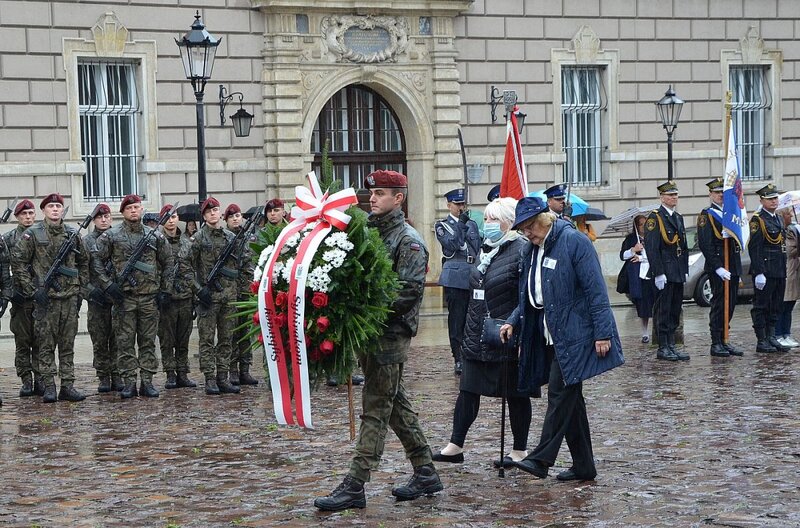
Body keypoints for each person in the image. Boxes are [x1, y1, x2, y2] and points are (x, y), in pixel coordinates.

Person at [314, 169, 442, 511]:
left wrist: (364, 310)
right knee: (395, 403)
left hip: (390, 335)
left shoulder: (408, 239)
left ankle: (356, 483)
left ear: (398, 198)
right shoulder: (368, 233)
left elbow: (407, 292)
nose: (373, 198)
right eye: (373, 193)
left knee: (376, 408)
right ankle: (426, 471)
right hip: (369, 334)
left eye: (381, 193)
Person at [500, 196, 623, 481]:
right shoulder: (533, 249)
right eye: (522, 229)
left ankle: (541, 459)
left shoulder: (574, 242)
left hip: (576, 335)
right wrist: (513, 321)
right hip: (549, 335)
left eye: (530, 226)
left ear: (545, 219)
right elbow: (531, 293)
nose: (527, 233)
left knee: (559, 392)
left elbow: (596, 291)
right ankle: (584, 466)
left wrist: (603, 332)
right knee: (572, 402)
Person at [432, 197, 535, 467]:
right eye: (486, 219)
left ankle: (519, 450)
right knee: (468, 390)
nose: (486, 224)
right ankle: (455, 445)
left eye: (492, 219)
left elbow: (526, 295)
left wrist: (518, 329)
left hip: (505, 334)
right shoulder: (486, 249)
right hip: (477, 333)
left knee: (515, 394)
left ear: (508, 223)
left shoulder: (522, 249)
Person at [93, 194, 174, 398]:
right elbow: (96, 260)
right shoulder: (111, 236)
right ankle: (129, 381)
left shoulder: (154, 235)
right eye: (129, 208)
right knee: (125, 341)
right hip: (124, 299)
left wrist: (165, 290)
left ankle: (147, 381)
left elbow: (168, 263)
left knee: (147, 341)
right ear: (123, 212)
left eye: (137, 207)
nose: (133, 211)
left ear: (141, 210)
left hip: (149, 298)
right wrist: (108, 285)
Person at [11, 193, 89, 403]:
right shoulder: (33, 234)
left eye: (58, 206)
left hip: (69, 298)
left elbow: (84, 263)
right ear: (44, 210)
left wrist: (79, 290)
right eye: (51, 206)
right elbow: (18, 263)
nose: (55, 209)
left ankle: (68, 385)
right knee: (45, 345)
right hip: (46, 299)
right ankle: (49, 386)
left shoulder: (73, 234)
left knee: (67, 345)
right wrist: (33, 290)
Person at [188, 197, 243, 395]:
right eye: (209, 211)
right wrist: (198, 289)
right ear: (203, 215)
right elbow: (185, 268)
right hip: (207, 297)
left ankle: (223, 376)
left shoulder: (230, 237)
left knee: (227, 338)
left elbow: (238, 266)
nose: (213, 213)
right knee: (207, 340)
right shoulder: (198, 239)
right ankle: (210, 378)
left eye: (216, 210)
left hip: (229, 296)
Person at [697, 177, 744, 358]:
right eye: (716, 193)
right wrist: (717, 267)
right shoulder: (707, 215)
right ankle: (716, 341)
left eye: (722, 193)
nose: (720, 196)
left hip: (731, 265)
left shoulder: (730, 213)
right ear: (710, 195)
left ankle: (725, 338)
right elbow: (705, 244)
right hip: (718, 266)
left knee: (730, 304)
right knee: (719, 304)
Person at [435, 188, 480, 375]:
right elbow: (452, 245)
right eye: (457, 204)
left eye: (463, 204)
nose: (461, 207)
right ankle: (458, 357)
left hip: (472, 274)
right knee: (457, 319)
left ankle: (472, 352)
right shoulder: (442, 225)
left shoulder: (472, 224)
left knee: (475, 317)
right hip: (455, 277)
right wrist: (460, 225)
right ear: (449, 205)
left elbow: (477, 248)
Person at [644, 181, 689, 361]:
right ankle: (663, 346)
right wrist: (658, 272)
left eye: (675, 195)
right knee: (663, 309)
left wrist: (684, 268)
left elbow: (683, 247)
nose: (674, 198)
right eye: (670, 195)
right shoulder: (655, 218)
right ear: (661, 197)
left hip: (677, 269)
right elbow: (652, 248)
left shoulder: (678, 217)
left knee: (674, 309)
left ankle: (671, 344)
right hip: (665, 270)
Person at [83, 203, 124, 392]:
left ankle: (117, 375)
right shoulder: (86, 242)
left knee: (118, 338)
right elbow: (80, 272)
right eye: (100, 217)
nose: (104, 219)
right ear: (94, 220)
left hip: (117, 297)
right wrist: (90, 291)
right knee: (99, 340)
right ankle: (103, 376)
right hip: (97, 298)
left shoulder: (119, 238)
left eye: (107, 216)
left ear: (112, 218)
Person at [4, 199, 43, 397]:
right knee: (22, 342)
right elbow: (4, 270)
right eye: (24, 214)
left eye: (31, 213)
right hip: (19, 299)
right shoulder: (8, 239)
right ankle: (26, 380)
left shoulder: (41, 236)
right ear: (17, 216)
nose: (28, 217)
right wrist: (11, 293)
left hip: (39, 296)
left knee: (40, 340)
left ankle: (41, 380)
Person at [158, 203, 197, 389]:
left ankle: (183, 373)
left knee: (184, 338)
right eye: (167, 217)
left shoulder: (187, 243)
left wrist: (195, 297)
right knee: (167, 339)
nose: (171, 220)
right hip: (167, 299)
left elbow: (194, 269)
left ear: (178, 219)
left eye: (173, 216)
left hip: (186, 298)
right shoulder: (157, 241)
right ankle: (170, 374)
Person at [749, 184, 790, 353]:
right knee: (762, 305)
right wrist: (759, 272)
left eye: (775, 198)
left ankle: (771, 336)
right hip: (766, 269)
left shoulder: (778, 218)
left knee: (776, 304)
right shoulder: (758, 220)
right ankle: (762, 339)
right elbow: (755, 247)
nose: (774, 201)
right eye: (770, 199)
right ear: (762, 201)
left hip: (779, 268)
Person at [224, 203, 258, 386]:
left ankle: (245, 369)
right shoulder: (225, 238)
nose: (236, 219)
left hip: (247, 290)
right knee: (232, 333)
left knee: (246, 332)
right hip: (230, 291)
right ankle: (232, 370)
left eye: (238, 215)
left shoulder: (251, 238)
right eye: (231, 217)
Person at [619, 214, 656, 343]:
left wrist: (642, 258)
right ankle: (645, 332)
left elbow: (657, 255)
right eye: (640, 224)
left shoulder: (654, 236)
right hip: (639, 276)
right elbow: (622, 255)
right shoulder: (631, 239)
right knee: (643, 306)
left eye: (645, 224)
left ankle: (658, 330)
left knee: (656, 304)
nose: (643, 227)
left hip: (653, 273)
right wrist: (633, 249)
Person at [775, 205, 800, 348]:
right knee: (782, 305)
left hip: (794, 269)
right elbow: (789, 251)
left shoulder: (793, 229)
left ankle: (787, 333)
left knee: (790, 305)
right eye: (789, 213)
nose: (792, 215)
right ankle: (779, 334)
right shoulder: (785, 232)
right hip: (786, 269)